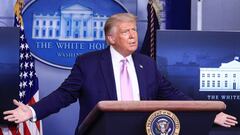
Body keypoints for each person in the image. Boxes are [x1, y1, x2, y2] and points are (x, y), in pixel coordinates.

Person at [3, 13, 238, 133]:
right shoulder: (89, 63)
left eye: (135, 30)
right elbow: (64, 95)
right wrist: (33, 111)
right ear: (111, 38)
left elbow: (172, 94)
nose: (133, 35)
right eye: (126, 31)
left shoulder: (147, 64)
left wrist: (208, 115)